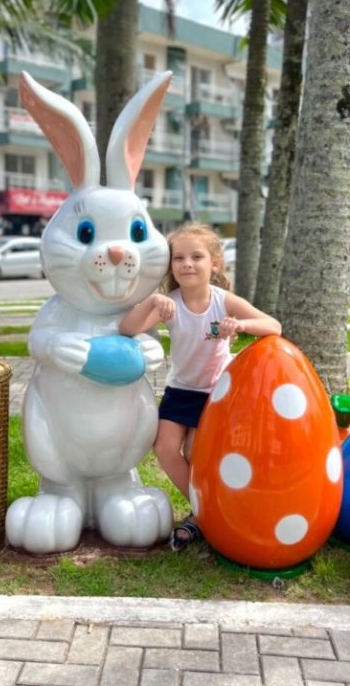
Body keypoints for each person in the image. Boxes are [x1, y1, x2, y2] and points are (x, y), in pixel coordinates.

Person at [119, 223, 282, 551]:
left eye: (197, 256)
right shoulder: (170, 303)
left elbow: (273, 326)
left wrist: (241, 324)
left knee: (196, 452)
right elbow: (127, 329)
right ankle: (206, 509)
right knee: (165, 448)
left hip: (216, 393)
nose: (187, 264)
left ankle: (204, 514)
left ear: (215, 263)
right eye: (178, 258)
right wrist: (153, 303)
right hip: (181, 389)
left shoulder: (222, 301)